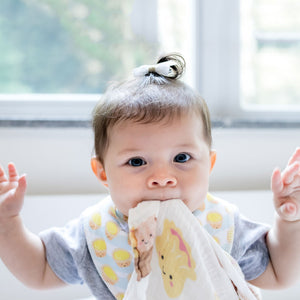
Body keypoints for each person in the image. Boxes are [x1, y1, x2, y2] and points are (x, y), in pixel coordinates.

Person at [0, 53, 300, 299]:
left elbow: (278, 274)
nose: (162, 177)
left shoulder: (222, 226)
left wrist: (290, 222)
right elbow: (38, 271)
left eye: (181, 158)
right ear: (102, 172)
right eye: (137, 161)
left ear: (209, 164)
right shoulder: (94, 233)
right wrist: (7, 224)